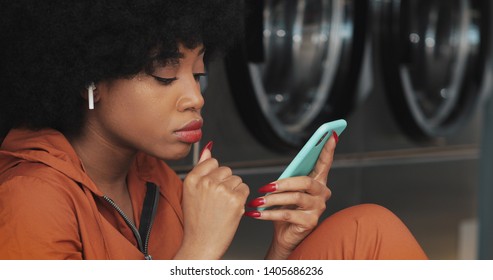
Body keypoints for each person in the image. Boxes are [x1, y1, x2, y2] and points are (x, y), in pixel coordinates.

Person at [0, 0, 427, 260]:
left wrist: (283, 249)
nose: (195, 98)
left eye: (198, 72)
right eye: (166, 73)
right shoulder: (32, 199)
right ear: (88, 77)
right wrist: (200, 249)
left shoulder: (155, 180)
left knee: (367, 231)